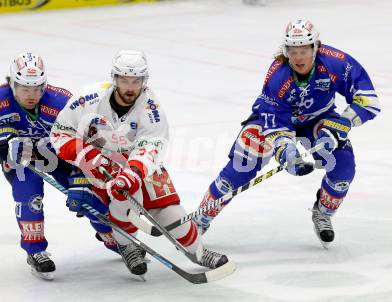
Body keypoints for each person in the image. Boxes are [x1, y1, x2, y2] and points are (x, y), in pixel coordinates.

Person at [193, 19, 380, 248]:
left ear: (315, 47)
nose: (298, 57)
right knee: (243, 164)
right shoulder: (278, 75)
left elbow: (368, 101)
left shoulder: (336, 63)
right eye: (293, 51)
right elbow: (274, 120)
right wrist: (285, 151)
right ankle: (201, 220)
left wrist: (339, 127)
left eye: (303, 51)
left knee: (343, 167)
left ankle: (322, 213)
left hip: (319, 118)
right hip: (275, 122)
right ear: (286, 50)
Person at [50, 49, 232, 277]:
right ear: (114, 78)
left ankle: (197, 251)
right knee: (123, 200)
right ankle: (127, 246)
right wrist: (87, 157)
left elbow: (151, 146)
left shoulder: (151, 108)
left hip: (140, 166)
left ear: (144, 81)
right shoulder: (90, 98)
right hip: (100, 165)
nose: (129, 86)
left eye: (135, 80)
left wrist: (132, 172)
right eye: (124, 79)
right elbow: (60, 132)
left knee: (171, 214)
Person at [0, 52, 74, 280]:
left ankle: (116, 237)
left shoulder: (62, 101)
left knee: (86, 191)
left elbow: (82, 137)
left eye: (36, 88)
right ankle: (36, 251)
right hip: (20, 158)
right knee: (29, 195)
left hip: (56, 154)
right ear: (11, 83)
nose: (31, 94)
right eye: (24, 88)